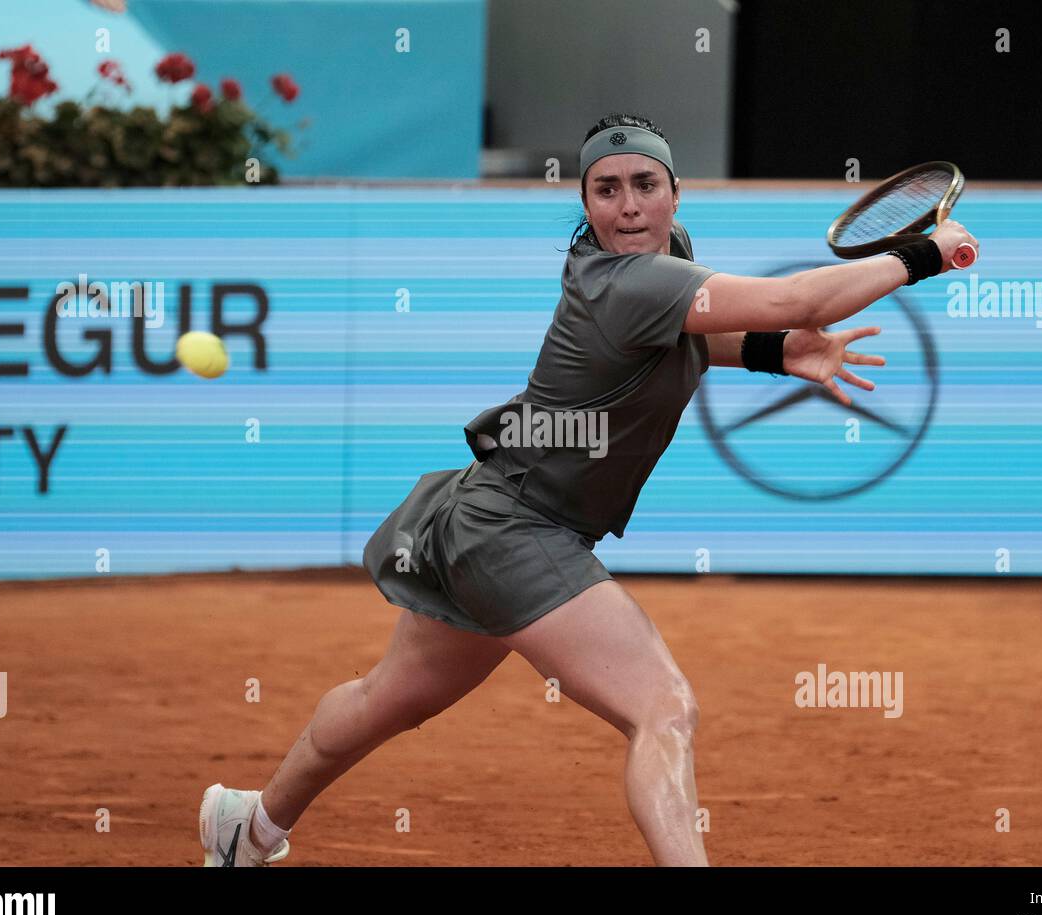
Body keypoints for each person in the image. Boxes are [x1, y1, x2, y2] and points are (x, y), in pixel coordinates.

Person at [198, 113, 978, 867]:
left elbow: (710, 335)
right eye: (606, 189)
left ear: (675, 193)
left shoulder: (663, 261)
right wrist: (924, 254)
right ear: (585, 203)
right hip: (517, 531)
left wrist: (780, 355)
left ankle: (250, 826)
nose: (628, 204)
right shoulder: (628, 281)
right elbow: (796, 298)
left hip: (483, 519)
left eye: (644, 183)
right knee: (662, 709)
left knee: (386, 700)